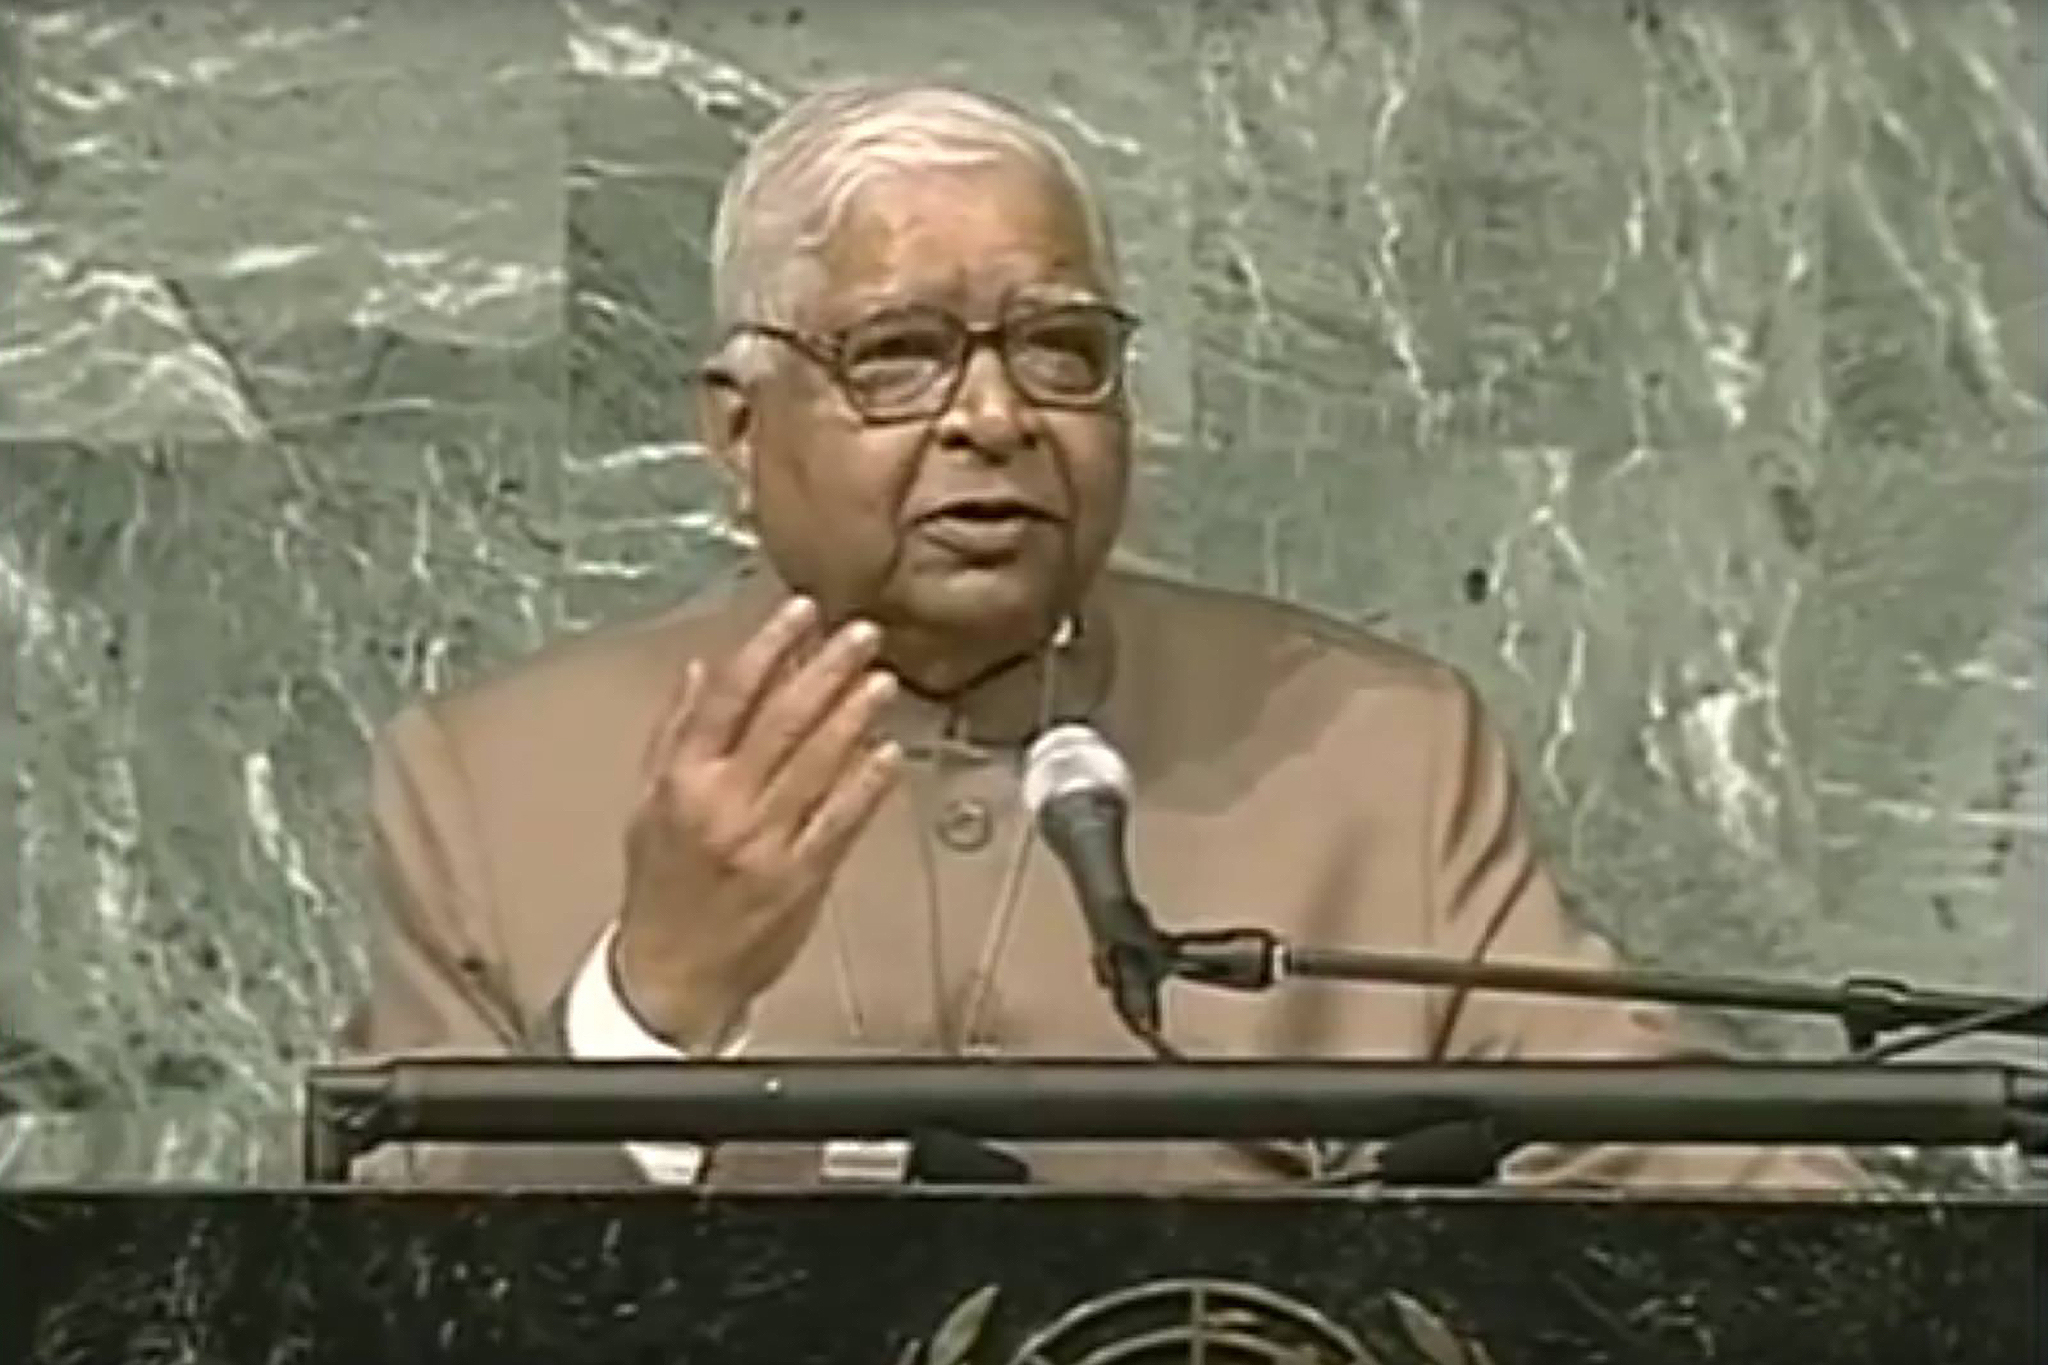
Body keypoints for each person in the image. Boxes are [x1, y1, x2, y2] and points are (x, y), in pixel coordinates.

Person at [350, 79, 1862, 1189]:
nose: (997, 416)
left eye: (1061, 349)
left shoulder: (1373, 746)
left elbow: (1690, 1183)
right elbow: (370, 1293)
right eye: (901, 354)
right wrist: (653, 997)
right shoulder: (487, 782)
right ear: (738, 431)